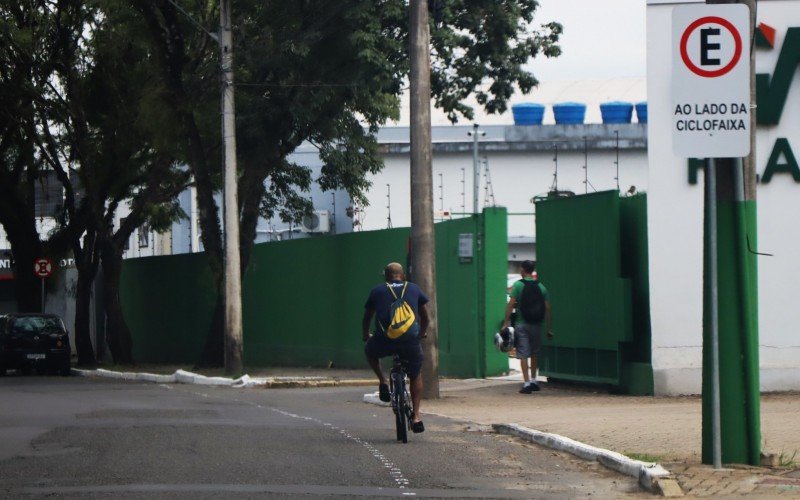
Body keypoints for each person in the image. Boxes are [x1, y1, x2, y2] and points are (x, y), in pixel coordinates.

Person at [362, 262, 430, 433]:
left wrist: (365, 335)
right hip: (410, 342)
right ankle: (416, 417)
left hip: (384, 340)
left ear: (386, 277)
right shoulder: (414, 289)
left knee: (370, 352)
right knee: (415, 374)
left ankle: (383, 380)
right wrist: (421, 334)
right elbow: (425, 317)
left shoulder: (377, 290)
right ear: (403, 276)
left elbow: (367, 318)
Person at [502, 260, 553, 394]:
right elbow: (548, 308)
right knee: (534, 353)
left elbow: (511, 304)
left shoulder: (518, 285)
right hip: (537, 324)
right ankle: (534, 381)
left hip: (522, 323)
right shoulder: (541, 286)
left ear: (523, 270)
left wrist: (505, 322)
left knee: (523, 353)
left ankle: (526, 384)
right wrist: (549, 328)